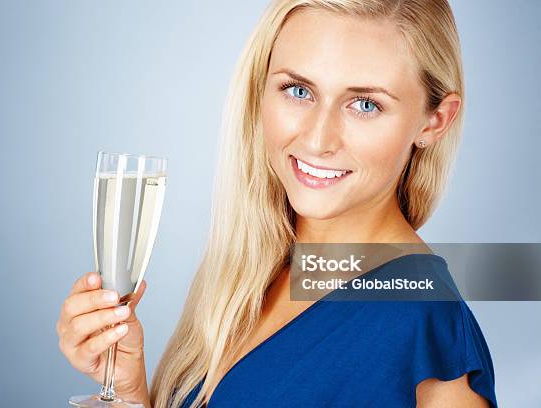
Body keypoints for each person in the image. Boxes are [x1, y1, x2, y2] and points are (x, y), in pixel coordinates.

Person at [56, 0, 498, 406]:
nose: (317, 139)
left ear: (434, 121)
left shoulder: (426, 323)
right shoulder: (252, 271)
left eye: (365, 104)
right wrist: (131, 390)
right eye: (298, 91)